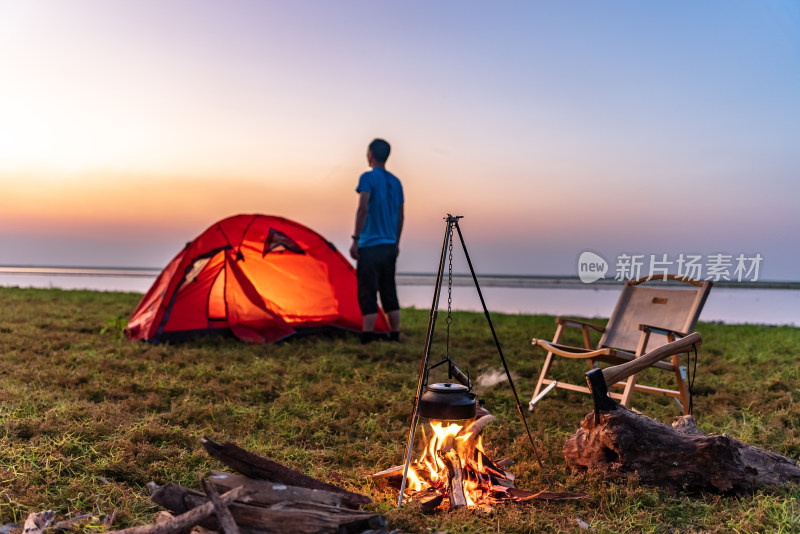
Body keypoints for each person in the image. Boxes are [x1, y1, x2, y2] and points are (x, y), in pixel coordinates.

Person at [349, 138, 404, 343]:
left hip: (370, 244)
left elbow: (363, 208)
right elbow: (400, 216)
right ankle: (395, 333)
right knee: (389, 287)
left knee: (367, 289)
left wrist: (355, 239)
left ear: (370, 154)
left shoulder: (367, 178)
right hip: (390, 245)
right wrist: (396, 243)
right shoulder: (396, 182)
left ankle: (367, 336)